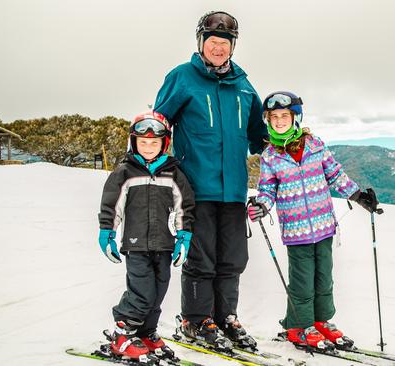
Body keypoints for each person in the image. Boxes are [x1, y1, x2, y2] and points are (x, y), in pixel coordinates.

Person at [153, 10, 268, 350]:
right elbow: (159, 124)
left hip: (233, 189)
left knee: (232, 258)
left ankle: (224, 317)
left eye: (225, 43)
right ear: (201, 42)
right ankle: (195, 320)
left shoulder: (243, 86)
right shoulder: (182, 78)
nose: (219, 48)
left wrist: (291, 146)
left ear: (233, 47)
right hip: (195, 187)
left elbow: (258, 134)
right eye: (213, 41)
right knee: (201, 258)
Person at [247, 91, 382, 349]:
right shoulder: (270, 156)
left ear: (295, 117)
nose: (278, 121)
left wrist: (358, 196)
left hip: (323, 225)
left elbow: (335, 175)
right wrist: (262, 206)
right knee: (302, 279)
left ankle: (320, 321)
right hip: (296, 230)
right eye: (273, 117)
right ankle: (298, 325)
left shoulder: (315, 145)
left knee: (323, 277)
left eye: (284, 116)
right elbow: (267, 190)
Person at [98, 111, 195, 361]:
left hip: (164, 244)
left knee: (158, 292)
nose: (148, 147)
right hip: (136, 245)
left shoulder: (173, 174)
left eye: (154, 142)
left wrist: (183, 237)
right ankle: (122, 334)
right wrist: (107, 231)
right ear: (134, 142)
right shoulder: (125, 173)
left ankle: (145, 332)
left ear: (164, 144)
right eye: (143, 142)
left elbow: (185, 206)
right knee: (142, 292)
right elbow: (112, 204)